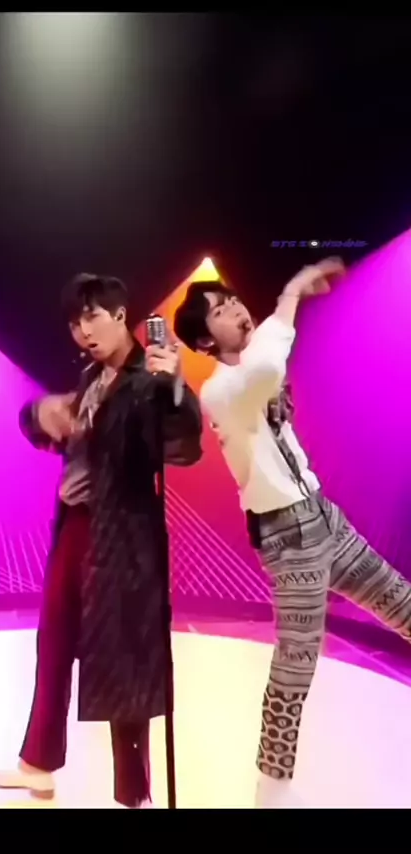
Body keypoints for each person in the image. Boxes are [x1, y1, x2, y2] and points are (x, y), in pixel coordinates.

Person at [173, 260, 411, 794]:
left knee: (404, 604)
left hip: (325, 519)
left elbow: (267, 362)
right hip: (289, 538)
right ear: (204, 341)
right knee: (296, 665)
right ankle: (271, 791)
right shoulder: (220, 391)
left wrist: (287, 301)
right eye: (220, 311)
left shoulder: (252, 365)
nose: (236, 309)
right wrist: (293, 290)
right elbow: (265, 370)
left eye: (233, 300)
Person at [0, 273, 203, 808]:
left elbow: (182, 446)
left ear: (121, 315)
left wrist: (174, 389)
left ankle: (134, 795)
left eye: (92, 317)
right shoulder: (91, 378)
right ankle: (37, 765)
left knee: (124, 661)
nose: (83, 331)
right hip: (76, 527)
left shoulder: (146, 379)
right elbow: (52, 431)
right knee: (54, 644)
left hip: (123, 538)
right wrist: (41, 413)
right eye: (75, 323)